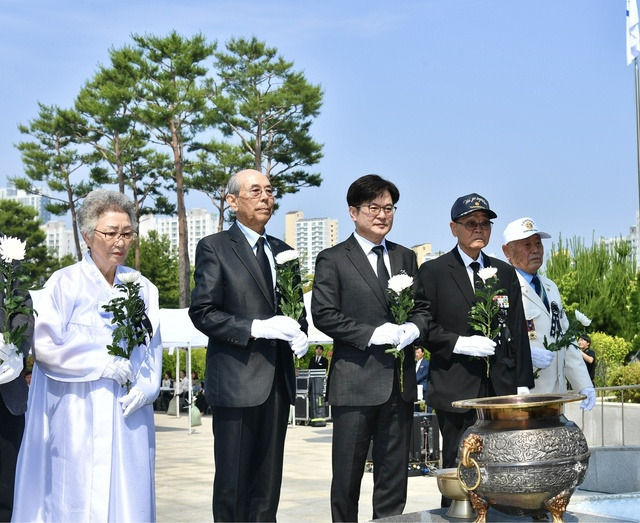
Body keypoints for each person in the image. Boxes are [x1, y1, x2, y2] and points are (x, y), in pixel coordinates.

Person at [12, 189, 163, 522]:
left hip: (127, 411)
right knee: (73, 491)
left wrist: (148, 387)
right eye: (110, 233)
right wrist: (98, 363)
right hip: (76, 408)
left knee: (129, 491)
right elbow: (46, 346)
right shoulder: (64, 283)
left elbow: (152, 346)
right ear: (87, 236)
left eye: (127, 233)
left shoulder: (142, 287)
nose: (120, 242)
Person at [189, 168, 308, 522]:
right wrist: (256, 327)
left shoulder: (284, 252)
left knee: (268, 485)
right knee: (233, 484)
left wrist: (298, 331)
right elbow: (203, 312)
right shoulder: (215, 247)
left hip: (277, 384)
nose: (265, 197)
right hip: (236, 382)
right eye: (255, 191)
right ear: (231, 201)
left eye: (269, 191)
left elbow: (292, 312)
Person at [311, 174, 431, 521]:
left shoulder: (405, 257)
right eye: (373, 207)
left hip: (400, 385)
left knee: (393, 478)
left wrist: (413, 328)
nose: (382, 215)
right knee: (347, 480)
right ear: (353, 211)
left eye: (389, 208)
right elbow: (323, 314)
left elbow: (422, 309)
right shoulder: (333, 258)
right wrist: (372, 334)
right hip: (355, 385)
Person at [417, 193, 534, 505]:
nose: (479, 229)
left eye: (485, 223)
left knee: (501, 466)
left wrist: (523, 382)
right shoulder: (434, 271)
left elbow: (518, 331)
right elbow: (424, 326)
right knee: (461, 469)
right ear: (454, 228)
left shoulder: (504, 273)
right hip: (456, 387)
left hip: (501, 388)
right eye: (471, 223)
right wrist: (458, 343)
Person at [502, 217, 596, 410]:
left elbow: (566, 338)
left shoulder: (550, 286)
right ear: (507, 251)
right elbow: (498, 341)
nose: (535, 249)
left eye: (538, 243)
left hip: (556, 394)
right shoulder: (502, 288)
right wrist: (524, 356)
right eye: (527, 244)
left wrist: (583, 384)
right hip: (525, 394)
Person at [0, 262, 33, 521]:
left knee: (6, 490)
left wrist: (15, 352)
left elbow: (23, 312)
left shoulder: (7, 256)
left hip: (6, 393)